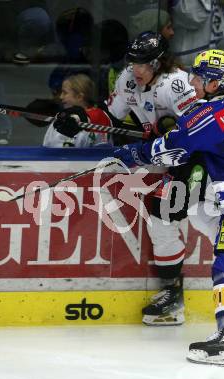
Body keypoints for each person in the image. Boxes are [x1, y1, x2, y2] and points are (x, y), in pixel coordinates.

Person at [112, 49, 224, 366]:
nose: (192, 81)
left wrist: (133, 154)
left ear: (211, 83)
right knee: (221, 226)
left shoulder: (202, 120)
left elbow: (163, 149)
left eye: (197, 76)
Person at [53, 31, 202, 326]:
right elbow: (109, 116)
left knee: (201, 218)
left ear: (159, 63)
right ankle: (173, 295)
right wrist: (79, 118)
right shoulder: (128, 80)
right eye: (133, 63)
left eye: (144, 64)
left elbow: (199, 129)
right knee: (162, 218)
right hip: (165, 156)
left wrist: (170, 132)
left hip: (198, 158)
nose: (137, 70)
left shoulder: (177, 84)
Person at [44, 73, 112, 147]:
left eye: (65, 93)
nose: (61, 97)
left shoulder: (98, 116)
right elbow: (47, 145)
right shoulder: (62, 116)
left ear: (79, 96)